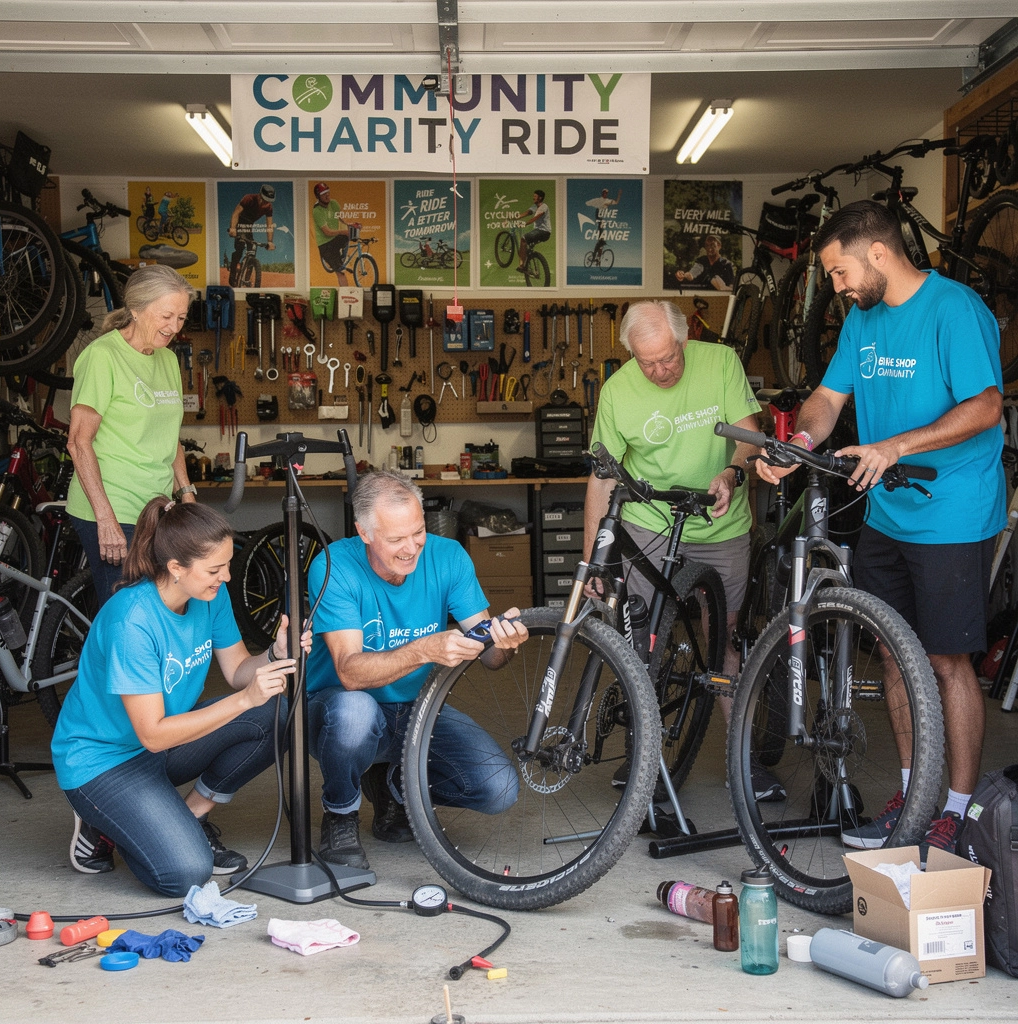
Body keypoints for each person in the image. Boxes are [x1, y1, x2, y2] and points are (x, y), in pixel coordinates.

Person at [757, 199, 1005, 859]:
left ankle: (956, 810)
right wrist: (799, 442)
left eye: (839, 272)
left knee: (948, 660)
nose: (836, 287)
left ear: (877, 252)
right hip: (888, 514)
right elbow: (827, 397)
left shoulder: (953, 310)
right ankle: (914, 795)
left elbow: (986, 405)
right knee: (895, 652)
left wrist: (895, 446)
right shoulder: (861, 321)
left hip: (952, 511)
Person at [51, 498, 307, 896]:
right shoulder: (132, 621)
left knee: (277, 712)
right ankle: (101, 819)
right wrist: (244, 700)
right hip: (103, 762)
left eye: (227, 565)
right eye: (214, 569)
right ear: (175, 568)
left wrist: (276, 653)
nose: (226, 577)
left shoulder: (210, 596)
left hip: (161, 746)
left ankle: (191, 815)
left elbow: (238, 670)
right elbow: (153, 734)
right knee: (186, 873)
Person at [582, 300, 783, 800]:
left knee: (723, 638)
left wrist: (731, 474)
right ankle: (641, 756)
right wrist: (593, 561)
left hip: (720, 524)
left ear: (684, 338)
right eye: (646, 362)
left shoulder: (721, 362)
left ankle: (742, 759)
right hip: (650, 524)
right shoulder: (617, 390)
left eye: (668, 358)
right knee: (643, 642)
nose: (659, 371)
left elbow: (751, 438)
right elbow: (601, 480)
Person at [305, 470, 528, 871]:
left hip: (417, 708)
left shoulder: (448, 556)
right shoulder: (333, 566)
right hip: (339, 709)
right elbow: (350, 674)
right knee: (355, 713)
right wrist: (424, 649)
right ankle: (340, 814)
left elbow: (490, 657)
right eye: (396, 539)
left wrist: (503, 641)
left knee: (499, 789)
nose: (411, 549)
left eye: (418, 532)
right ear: (364, 532)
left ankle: (393, 785)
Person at [66, 264, 197, 608]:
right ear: (136, 309)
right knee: (128, 612)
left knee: (160, 606)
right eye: (166, 316)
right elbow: (78, 442)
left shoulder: (168, 360)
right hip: (113, 507)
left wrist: (187, 496)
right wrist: (105, 519)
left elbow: (170, 437)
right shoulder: (102, 357)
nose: (174, 327)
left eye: (181, 318)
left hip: (156, 508)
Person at [227, 184, 276, 285]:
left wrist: (270, 242)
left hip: (249, 227)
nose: (266, 203)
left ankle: (247, 278)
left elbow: (269, 225)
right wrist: (232, 228)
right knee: (240, 247)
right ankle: (232, 274)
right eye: (264, 200)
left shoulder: (268, 207)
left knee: (252, 249)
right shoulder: (249, 198)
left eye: (268, 201)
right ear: (259, 195)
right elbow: (236, 213)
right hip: (239, 223)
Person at [312, 181, 353, 272]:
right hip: (325, 242)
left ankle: (341, 255)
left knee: (348, 236)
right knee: (339, 270)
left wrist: (349, 223)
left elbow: (340, 216)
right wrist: (343, 231)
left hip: (334, 236)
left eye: (327, 192)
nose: (327, 195)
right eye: (323, 194)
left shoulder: (334, 203)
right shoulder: (317, 211)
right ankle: (334, 258)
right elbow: (327, 232)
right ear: (318, 197)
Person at [518, 189, 551, 271]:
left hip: (543, 231)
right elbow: (527, 213)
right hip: (540, 231)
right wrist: (515, 217)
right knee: (528, 246)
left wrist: (524, 224)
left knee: (523, 239)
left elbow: (535, 218)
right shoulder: (535, 206)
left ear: (540, 198)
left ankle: (521, 266)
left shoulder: (544, 207)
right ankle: (529, 257)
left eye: (535, 196)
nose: (533, 198)